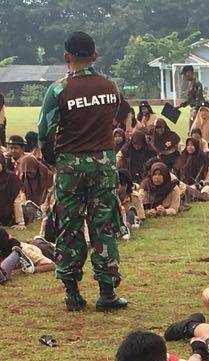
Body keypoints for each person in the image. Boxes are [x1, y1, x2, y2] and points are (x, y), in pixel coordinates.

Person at [38, 31, 125, 312]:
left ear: (66, 57)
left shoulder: (59, 90)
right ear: (95, 56)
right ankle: (106, 292)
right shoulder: (110, 87)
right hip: (103, 164)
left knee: (70, 226)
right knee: (104, 225)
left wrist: (53, 160)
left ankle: (72, 292)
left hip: (70, 165)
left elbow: (44, 131)